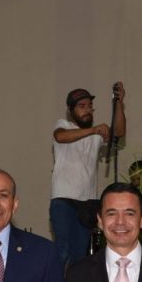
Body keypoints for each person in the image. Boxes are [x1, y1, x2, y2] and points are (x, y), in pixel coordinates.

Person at [50, 84, 126, 267]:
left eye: (90, 106)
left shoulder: (97, 134)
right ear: (71, 111)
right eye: (82, 106)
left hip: (88, 203)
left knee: (80, 256)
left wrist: (119, 102)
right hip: (63, 199)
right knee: (62, 251)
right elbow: (60, 136)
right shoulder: (64, 124)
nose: (87, 110)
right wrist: (94, 130)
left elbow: (119, 132)